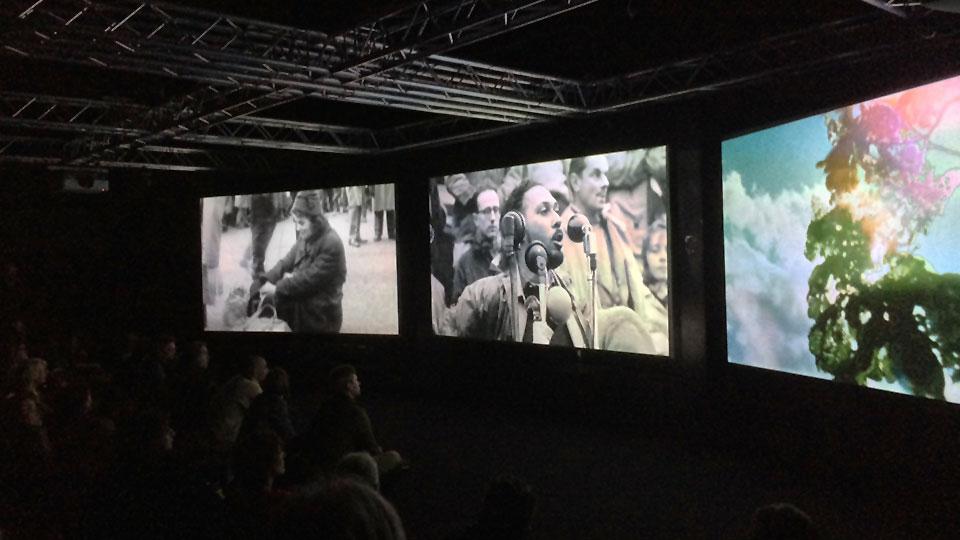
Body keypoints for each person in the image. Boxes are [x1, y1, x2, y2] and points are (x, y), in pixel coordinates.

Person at [441, 181, 652, 352]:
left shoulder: (573, 298)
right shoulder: (484, 296)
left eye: (557, 210)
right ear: (517, 229)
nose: (558, 219)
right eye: (544, 211)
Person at [559, 155, 668, 354]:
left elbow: (639, 291)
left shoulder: (616, 228)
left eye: (606, 175)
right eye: (596, 175)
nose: (606, 183)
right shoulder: (561, 237)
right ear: (575, 182)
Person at [257, 190, 347, 334]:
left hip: (322, 313)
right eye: (295, 222)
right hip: (309, 299)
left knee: (275, 301)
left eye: (301, 223)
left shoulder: (331, 243)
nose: (298, 228)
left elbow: (308, 280)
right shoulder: (307, 234)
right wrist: (265, 279)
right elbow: (286, 262)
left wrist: (276, 288)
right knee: (264, 301)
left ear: (316, 221)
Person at [300, 365, 402, 477]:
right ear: (349, 385)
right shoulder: (355, 412)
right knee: (394, 457)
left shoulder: (323, 409)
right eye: (356, 380)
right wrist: (378, 450)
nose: (359, 383)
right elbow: (369, 445)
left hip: (320, 467)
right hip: (344, 468)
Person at [451, 189, 502, 303]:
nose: (493, 218)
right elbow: (458, 310)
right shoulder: (465, 263)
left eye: (496, 210)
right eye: (486, 211)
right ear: (476, 219)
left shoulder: (512, 255)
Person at [210, 355, 269, 449]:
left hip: (215, 430)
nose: (267, 371)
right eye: (265, 367)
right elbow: (266, 412)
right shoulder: (251, 387)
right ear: (256, 370)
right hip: (228, 437)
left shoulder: (235, 380)